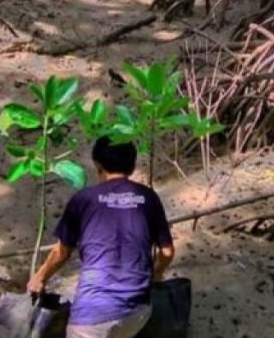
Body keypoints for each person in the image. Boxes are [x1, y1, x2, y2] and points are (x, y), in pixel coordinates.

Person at [27, 137, 175, 338]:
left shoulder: (83, 199)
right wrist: (155, 276)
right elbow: (167, 252)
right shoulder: (148, 197)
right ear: (131, 167)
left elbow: (61, 252)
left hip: (92, 315)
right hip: (138, 311)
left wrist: (40, 277)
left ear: (98, 165)